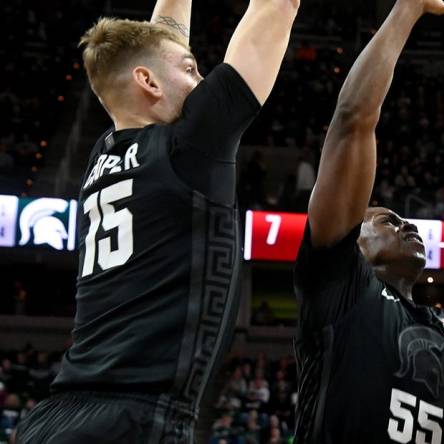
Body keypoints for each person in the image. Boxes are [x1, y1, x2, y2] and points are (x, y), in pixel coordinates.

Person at [13, 0, 298, 441]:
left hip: (55, 417)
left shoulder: (103, 152)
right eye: (191, 69)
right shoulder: (190, 147)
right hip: (135, 420)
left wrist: (172, 57)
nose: (202, 80)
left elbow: (162, 38)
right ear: (146, 81)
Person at [292, 0, 444, 442]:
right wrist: (406, 10)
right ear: (354, 243)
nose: (406, 225)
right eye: (386, 220)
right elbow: (351, 122)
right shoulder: (339, 283)